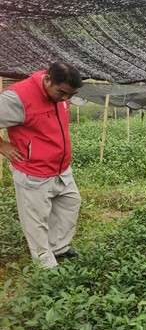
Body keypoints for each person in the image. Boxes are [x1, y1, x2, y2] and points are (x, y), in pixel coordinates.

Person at [0, 62, 84, 268]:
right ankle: (45, 264)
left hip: (60, 168)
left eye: (70, 95)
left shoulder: (60, 95)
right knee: (36, 221)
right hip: (33, 170)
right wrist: (2, 146)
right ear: (47, 79)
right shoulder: (17, 98)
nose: (66, 99)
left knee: (70, 204)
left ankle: (59, 248)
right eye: (62, 93)